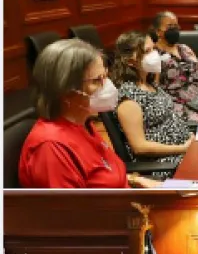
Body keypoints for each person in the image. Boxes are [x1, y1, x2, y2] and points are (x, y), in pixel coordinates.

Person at [19, 39, 160, 188]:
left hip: (129, 198)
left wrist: (134, 180)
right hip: (115, 210)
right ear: (66, 91)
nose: (108, 85)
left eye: (106, 76)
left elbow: (101, 176)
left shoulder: (83, 123)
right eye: (97, 80)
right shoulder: (51, 148)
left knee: (184, 188)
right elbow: (69, 210)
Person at [111, 31, 195, 175]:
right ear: (130, 61)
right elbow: (139, 147)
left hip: (185, 150)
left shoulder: (149, 83)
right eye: (147, 51)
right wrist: (183, 148)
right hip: (166, 164)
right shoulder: (128, 98)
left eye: (154, 49)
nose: (154, 55)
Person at [151, 11, 198, 120]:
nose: (174, 29)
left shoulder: (185, 48)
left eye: (175, 26)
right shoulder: (154, 55)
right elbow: (155, 87)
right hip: (181, 106)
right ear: (158, 31)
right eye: (170, 26)